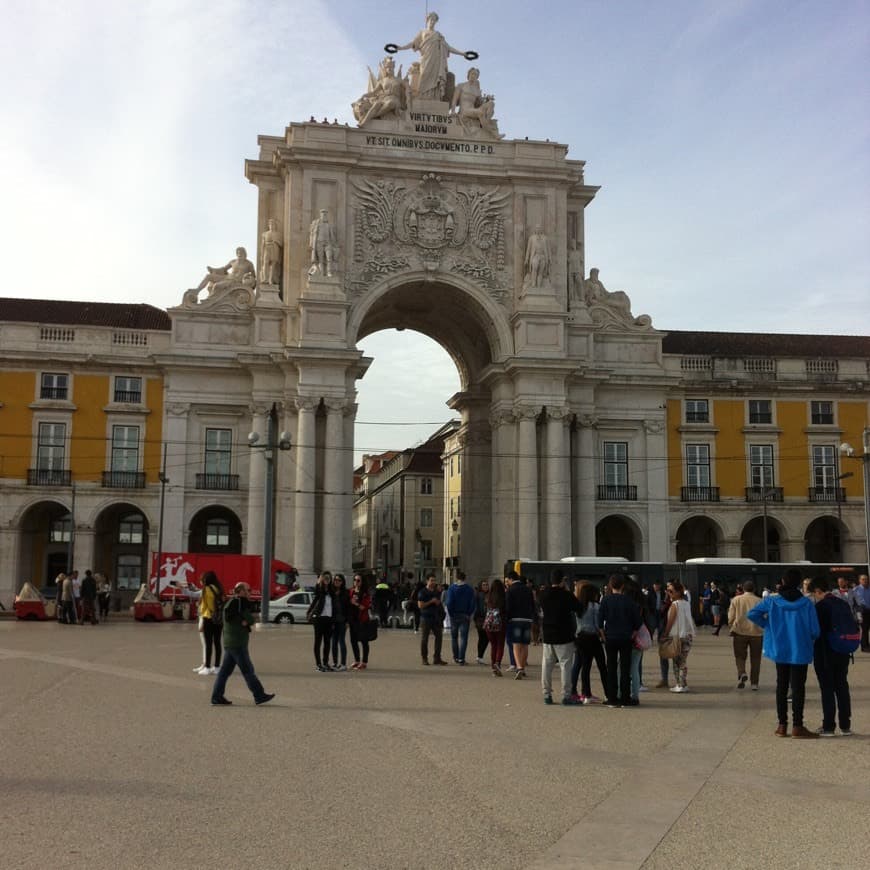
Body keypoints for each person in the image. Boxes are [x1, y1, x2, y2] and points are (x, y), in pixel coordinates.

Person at [747, 568, 820, 738]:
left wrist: (768, 625)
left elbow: (752, 614)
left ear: (783, 581)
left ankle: (781, 725)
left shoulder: (773, 601)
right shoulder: (806, 604)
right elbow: (815, 630)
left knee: (781, 686)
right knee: (798, 688)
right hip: (800, 649)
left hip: (779, 648)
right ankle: (797, 725)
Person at [210, 582, 274, 706]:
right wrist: (245, 621)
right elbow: (250, 619)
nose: (249, 592)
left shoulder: (230, 602)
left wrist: (244, 621)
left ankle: (217, 697)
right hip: (238, 643)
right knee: (248, 670)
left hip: (229, 642)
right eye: (247, 590)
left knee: (224, 672)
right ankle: (259, 695)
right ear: (240, 591)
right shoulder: (240, 603)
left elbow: (233, 619)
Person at [807, 576, 852, 736]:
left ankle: (828, 726)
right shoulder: (843, 603)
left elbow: (814, 632)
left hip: (825, 653)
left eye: (814, 594)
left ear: (818, 591)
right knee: (842, 686)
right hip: (843, 651)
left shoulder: (820, 607)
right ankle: (846, 725)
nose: (814, 597)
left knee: (827, 689)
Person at [394, 11, 468, 101]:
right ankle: (421, 96)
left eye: (434, 20)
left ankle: (434, 98)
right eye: (431, 19)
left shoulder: (438, 35)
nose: (432, 22)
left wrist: (462, 53)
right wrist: (401, 48)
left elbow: (448, 47)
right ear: (427, 20)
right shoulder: (422, 32)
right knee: (423, 76)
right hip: (426, 59)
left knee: (435, 80)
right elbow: (413, 44)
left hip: (437, 61)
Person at [598, 575, 642, 707]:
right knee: (625, 668)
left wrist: (603, 635)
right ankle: (625, 698)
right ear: (623, 586)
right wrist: (632, 634)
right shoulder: (629, 601)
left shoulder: (605, 600)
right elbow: (638, 622)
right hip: (625, 638)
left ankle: (612, 698)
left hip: (610, 637)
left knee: (611, 668)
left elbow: (599, 622)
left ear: (611, 586)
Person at [538, 571, 581, 705]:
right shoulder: (566, 595)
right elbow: (578, 607)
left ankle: (547, 694)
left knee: (547, 665)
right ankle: (566, 695)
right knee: (566, 666)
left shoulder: (543, 594)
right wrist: (568, 591)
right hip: (564, 634)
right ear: (562, 581)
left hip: (548, 633)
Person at [571, 581, 607, 704]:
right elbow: (598, 625)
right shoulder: (595, 606)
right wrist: (604, 637)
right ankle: (607, 693)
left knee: (583, 667)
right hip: (592, 638)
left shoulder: (578, 606)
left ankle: (584, 693)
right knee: (602, 665)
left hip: (580, 637)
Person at [727, 579, 763, 690]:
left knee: (740, 656)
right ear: (755, 589)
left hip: (739, 632)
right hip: (756, 633)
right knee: (756, 659)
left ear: (743, 589)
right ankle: (754, 684)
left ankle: (742, 673)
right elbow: (764, 616)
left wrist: (731, 626)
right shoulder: (760, 601)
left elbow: (731, 617)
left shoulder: (736, 600)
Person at [661, 580, 696, 694]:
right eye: (667, 590)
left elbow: (670, 622)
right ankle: (683, 684)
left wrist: (665, 635)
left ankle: (679, 684)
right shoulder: (686, 603)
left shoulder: (675, 605)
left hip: (677, 636)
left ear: (678, 592)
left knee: (677, 662)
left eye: (671, 591)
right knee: (683, 661)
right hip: (688, 635)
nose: (668, 593)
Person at [450, 67, 499, 137]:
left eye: (476, 75)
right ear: (468, 74)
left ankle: (485, 123)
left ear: (477, 77)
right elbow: (454, 100)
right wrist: (453, 111)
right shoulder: (461, 85)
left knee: (491, 103)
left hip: (473, 109)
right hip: (465, 110)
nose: (473, 76)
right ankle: (493, 132)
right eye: (472, 74)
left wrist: (488, 99)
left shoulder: (476, 89)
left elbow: (480, 103)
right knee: (480, 112)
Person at [505, 572, 535, 680]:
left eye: (507, 579)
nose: (507, 582)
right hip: (527, 619)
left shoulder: (510, 590)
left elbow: (508, 606)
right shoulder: (528, 589)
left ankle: (519, 667)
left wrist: (506, 619)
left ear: (511, 579)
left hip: (515, 619)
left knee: (516, 645)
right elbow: (532, 604)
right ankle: (522, 667)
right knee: (525, 645)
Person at [444, 570, 476, 664]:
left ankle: (456, 657)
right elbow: (472, 603)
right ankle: (461, 658)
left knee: (454, 637)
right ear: (464, 578)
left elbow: (449, 603)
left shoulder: (451, 588)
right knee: (463, 638)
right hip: (465, 615)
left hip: (454, 615)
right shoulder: (469, 589)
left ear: (456, 578)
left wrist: (451, 613)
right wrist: (469, 613)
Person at [195, 572, 224, 676]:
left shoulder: (206, 589)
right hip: (219, 619)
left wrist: (202, 621)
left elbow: (204, 606)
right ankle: (217, 667)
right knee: (217, 642)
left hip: (209, 617)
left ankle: (207, 667)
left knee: (208, 643)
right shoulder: (219, 588)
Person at [307, 572, 336, 672]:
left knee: (327, 642)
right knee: (318, 642)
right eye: (325, 578)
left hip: (329, 619)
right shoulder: (320, 590)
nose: (327, 579)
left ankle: (325, 663)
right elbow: (317, 592)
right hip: (319, 619)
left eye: (328, 578)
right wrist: (319, 581)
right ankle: (318, 664)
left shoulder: (332, 592)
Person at [418, 574, 448, 665]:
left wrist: (438, 604)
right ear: (427, 581)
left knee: (439, 637)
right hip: (426, 618)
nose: (433, 582)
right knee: (424, 639)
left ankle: (437, 658)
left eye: (434, 580)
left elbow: (439, 603)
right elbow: (420, 605)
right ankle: (424, 658)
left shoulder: (437, 592)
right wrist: (431, 601)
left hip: (436, 618)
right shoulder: (422, 592)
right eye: (431, 580)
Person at [348, 574, 373, 670]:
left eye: (358, 580)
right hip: (352, 620)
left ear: (362, 582)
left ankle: (364, 662)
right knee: (353, 641)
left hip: (362, 620)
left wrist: (355, 603)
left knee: (364, 641)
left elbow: (364, 607)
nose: (356, 582)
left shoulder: (365, 594)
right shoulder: (351, 591)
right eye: (355, 580)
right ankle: (357, 660)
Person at [483, 579, 506, 676]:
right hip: (500, 624)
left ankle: (493, 666)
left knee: (493, 645)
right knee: (500, 645)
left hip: (489, 624)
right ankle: (497, 663)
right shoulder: (504, 597)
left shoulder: (488, 597)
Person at [308, 209, 339, 277]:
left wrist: (335, 245)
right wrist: (311, 244)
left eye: (325, 214)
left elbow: (332, 236)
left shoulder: (329, 225)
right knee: (320, 260)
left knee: (329, 258)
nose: (324, 215)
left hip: (328, 243)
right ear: (320, 214)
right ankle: (321, 273)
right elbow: (312, 234)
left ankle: (329, 272)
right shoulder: (316, 223)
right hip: (319, 242)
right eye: (323, 213)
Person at [330, 574, 350, 671]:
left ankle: (343, 664)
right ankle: (334, 662)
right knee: (333, 642)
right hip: (333, 621)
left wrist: (347, 621)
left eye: (339, 580)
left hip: (342, 621)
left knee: (341, 641)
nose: (337, 582)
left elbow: (348, 608)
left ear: (342, 582)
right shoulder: (331, 592)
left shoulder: (346, 593)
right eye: (335, 580)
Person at [850, 574, 870, 652]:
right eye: (863, 579)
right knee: (864, 629)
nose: (865, 581)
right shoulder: (856, 590)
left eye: (866, 579)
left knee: (867, 628)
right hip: (861, 611)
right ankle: (864, 646)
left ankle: (867, 644)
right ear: (859, 580)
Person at [260, 218, 283, 285]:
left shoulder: (278, 234)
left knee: (273, 264)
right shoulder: (265, 234)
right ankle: (265, 278)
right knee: (265, 263)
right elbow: (262, 245)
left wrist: (276, 241)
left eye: (273, 224)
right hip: (267, 249)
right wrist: (261, 254)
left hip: (275, 248)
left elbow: (281, 244)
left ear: (275, 225)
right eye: (270, 224)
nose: (272, 225)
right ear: (268, 225)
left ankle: (271, 279)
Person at [473, 580, 490, 664]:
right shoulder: (478, 594)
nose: (486, 586)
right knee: (483, 637)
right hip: (480, 618)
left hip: (488, 618)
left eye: (487, 585)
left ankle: (480, 656)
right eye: (484, 585)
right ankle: (480, 656)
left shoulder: (490, 594)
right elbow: (475, 607)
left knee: (485, 638)